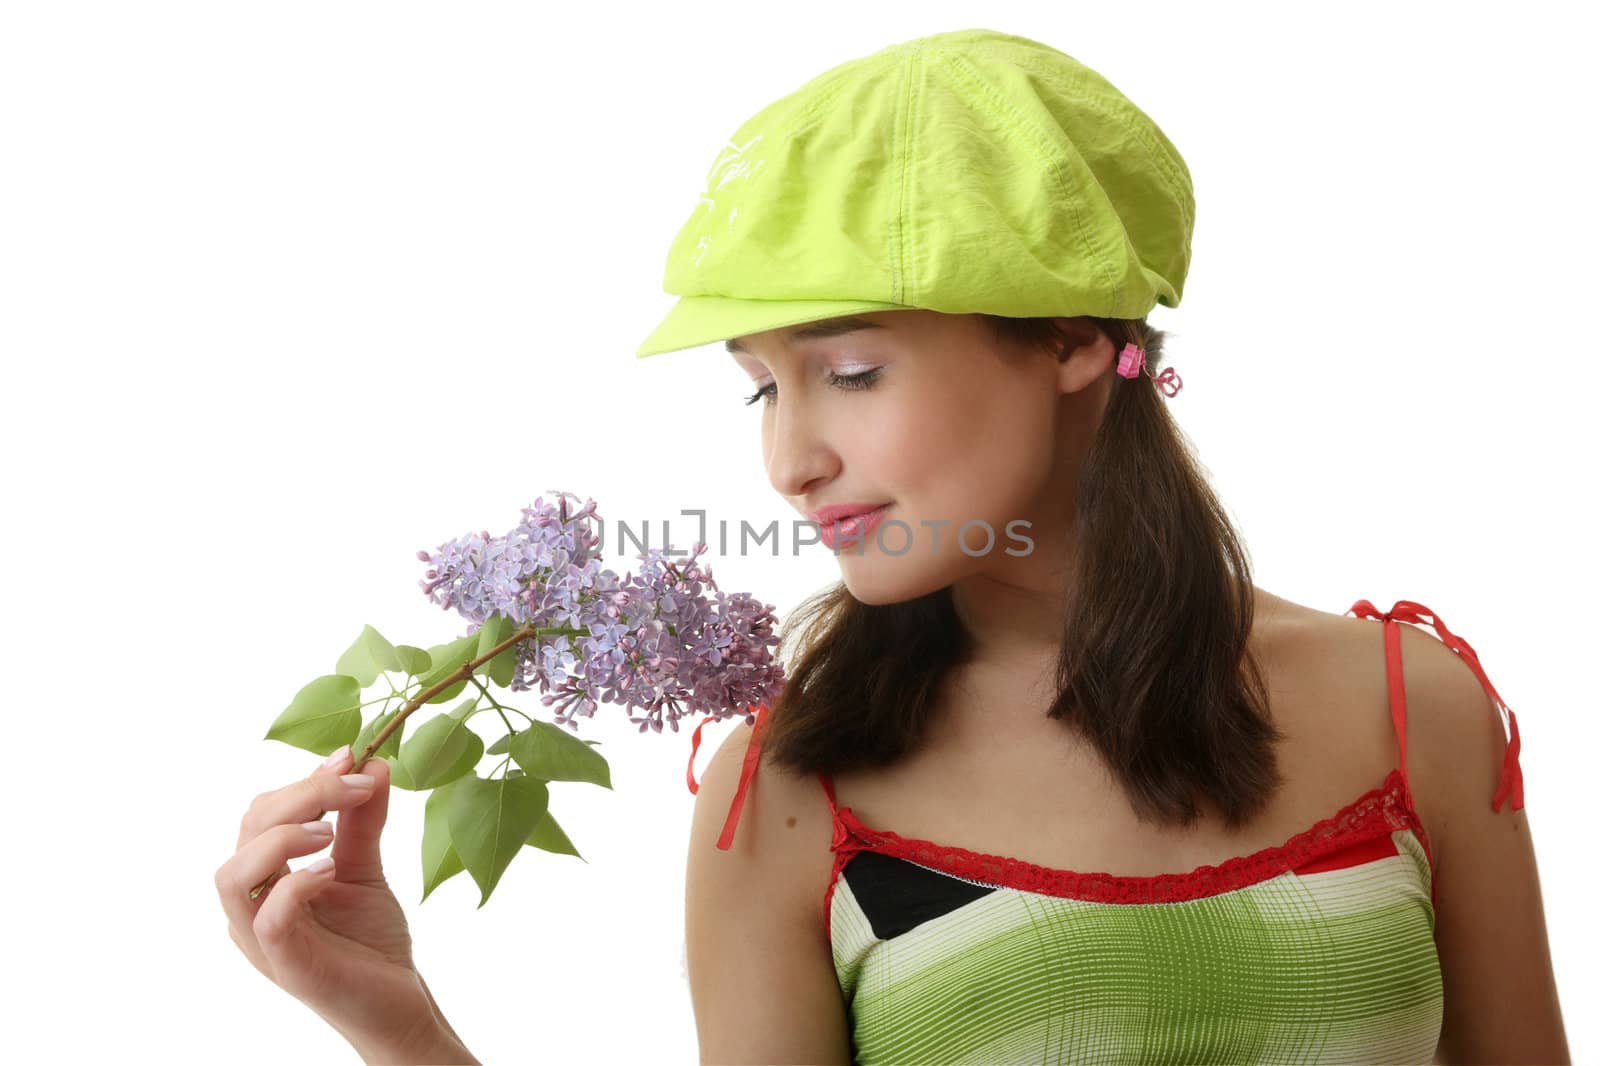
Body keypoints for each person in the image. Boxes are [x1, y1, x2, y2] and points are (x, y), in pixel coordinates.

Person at [216, 27, 1569, 1065]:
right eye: (762, 384)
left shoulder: (1415, 712)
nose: (789, 457)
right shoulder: (789, 788)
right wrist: (402, 1027)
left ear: (1078, 340)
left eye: (851, 370)